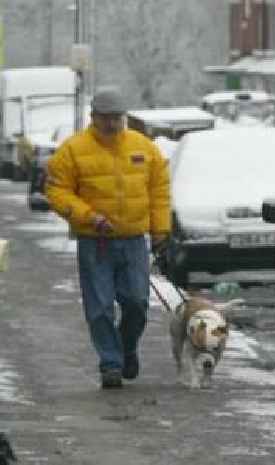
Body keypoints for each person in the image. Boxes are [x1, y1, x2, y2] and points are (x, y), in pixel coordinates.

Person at [45, 87, 170, 389]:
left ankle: (126, 349)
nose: (113, 124)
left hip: (134, 240)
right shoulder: (73, 150)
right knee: (99, 306)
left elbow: (159, 190)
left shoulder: (144, 148)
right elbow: (56, 190)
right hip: (95, 242)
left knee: (137, 303)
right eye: (106, 118)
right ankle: (111, 364)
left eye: (118, 118)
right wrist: (88, 216)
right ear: (94, 117)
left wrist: (161, 230)